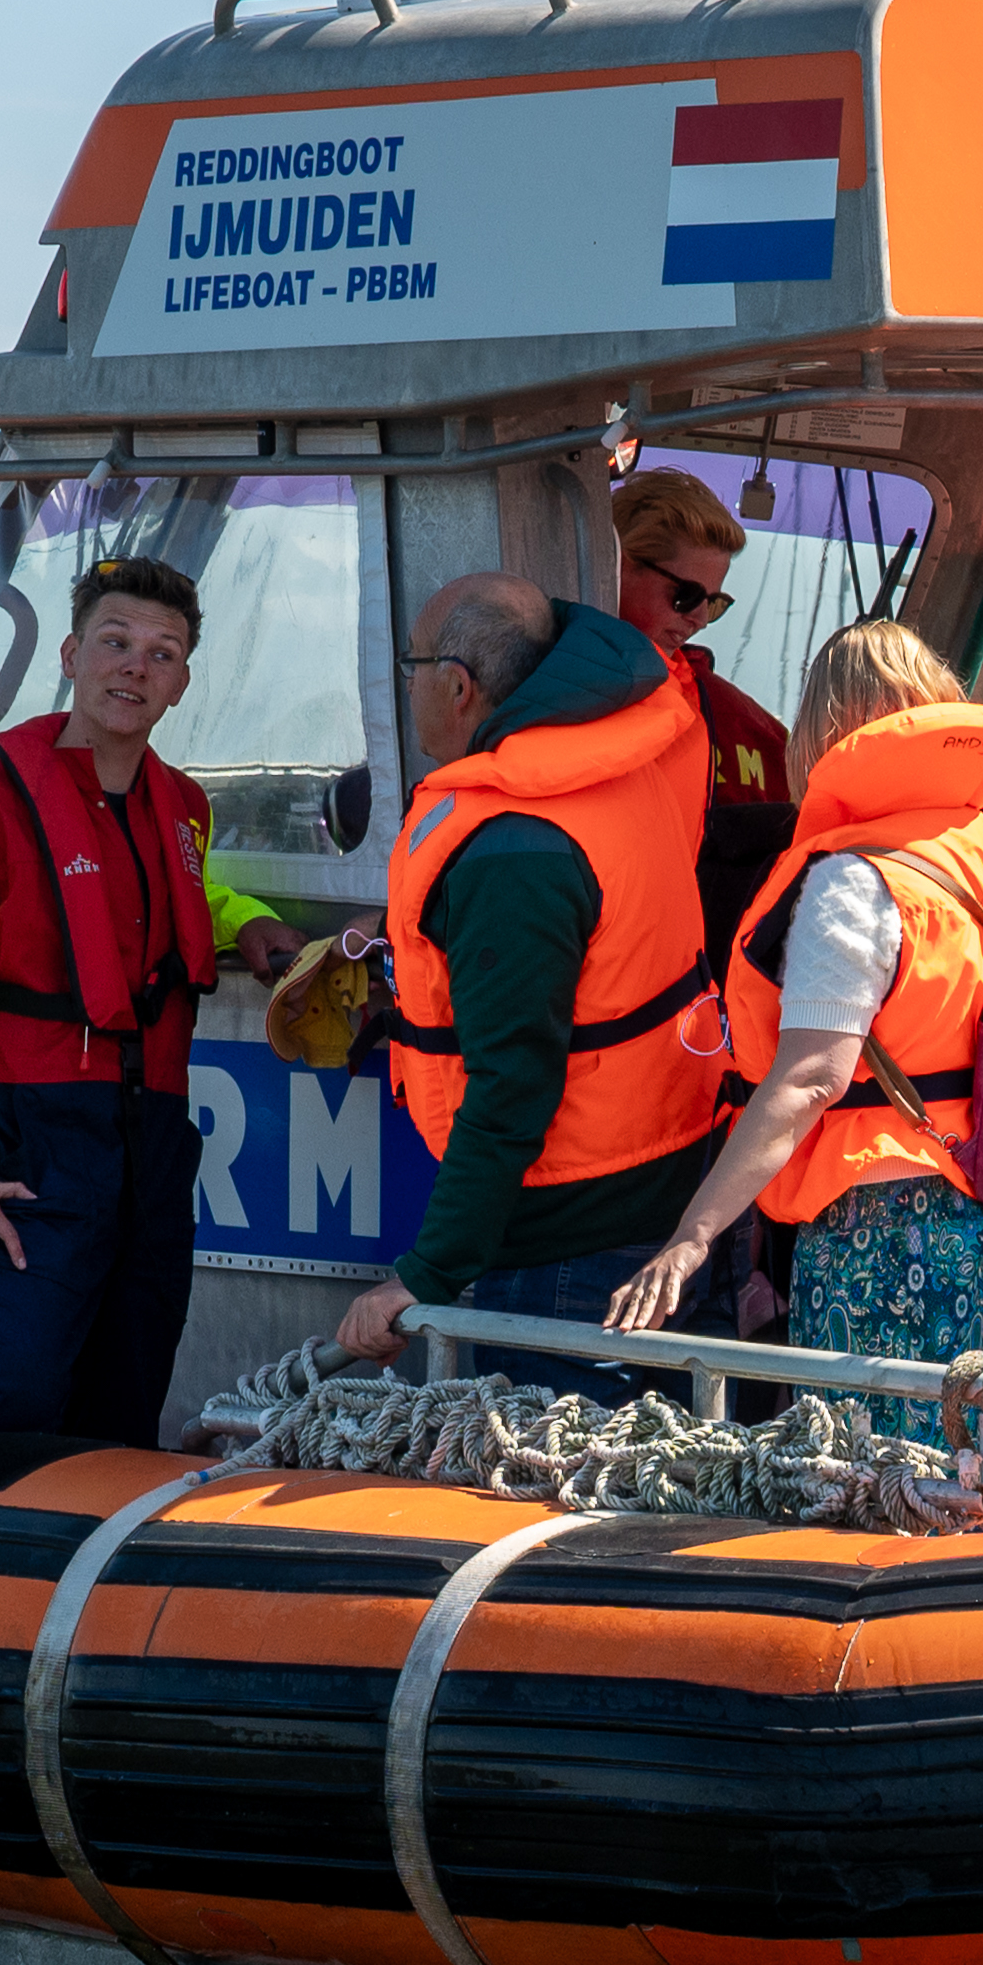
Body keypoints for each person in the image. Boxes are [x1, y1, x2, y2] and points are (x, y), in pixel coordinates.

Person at [0, 557, 309, 1438]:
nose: (135, 667)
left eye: (162, 654)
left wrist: (246, 920)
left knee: (122, 1403)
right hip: (29, 1135)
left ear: (181, 684)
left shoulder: (184, 810)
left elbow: (165, 896)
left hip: (151, 1140)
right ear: (70, 655)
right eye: (115, 642)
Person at [603, 624, 983, 1425]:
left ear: (821, 732)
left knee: (874, 1477)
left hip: (893, 1230)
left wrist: (692, 1236)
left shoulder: (854, 879)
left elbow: (813, 1077)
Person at [332, 574, 731, 1376]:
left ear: (458, 686)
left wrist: (425, 1275)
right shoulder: (621, 763)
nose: (407, 686)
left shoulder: (512, 846)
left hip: (576, 1257)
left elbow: (512, 1088)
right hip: (677, 1196)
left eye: (411, 666)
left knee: (548, 1462)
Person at [612, 466, 792, 805]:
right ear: (619, 564)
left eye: (713, 602)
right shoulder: (533, 680)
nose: (700, 620)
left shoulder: (755, 734)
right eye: (687, 595)